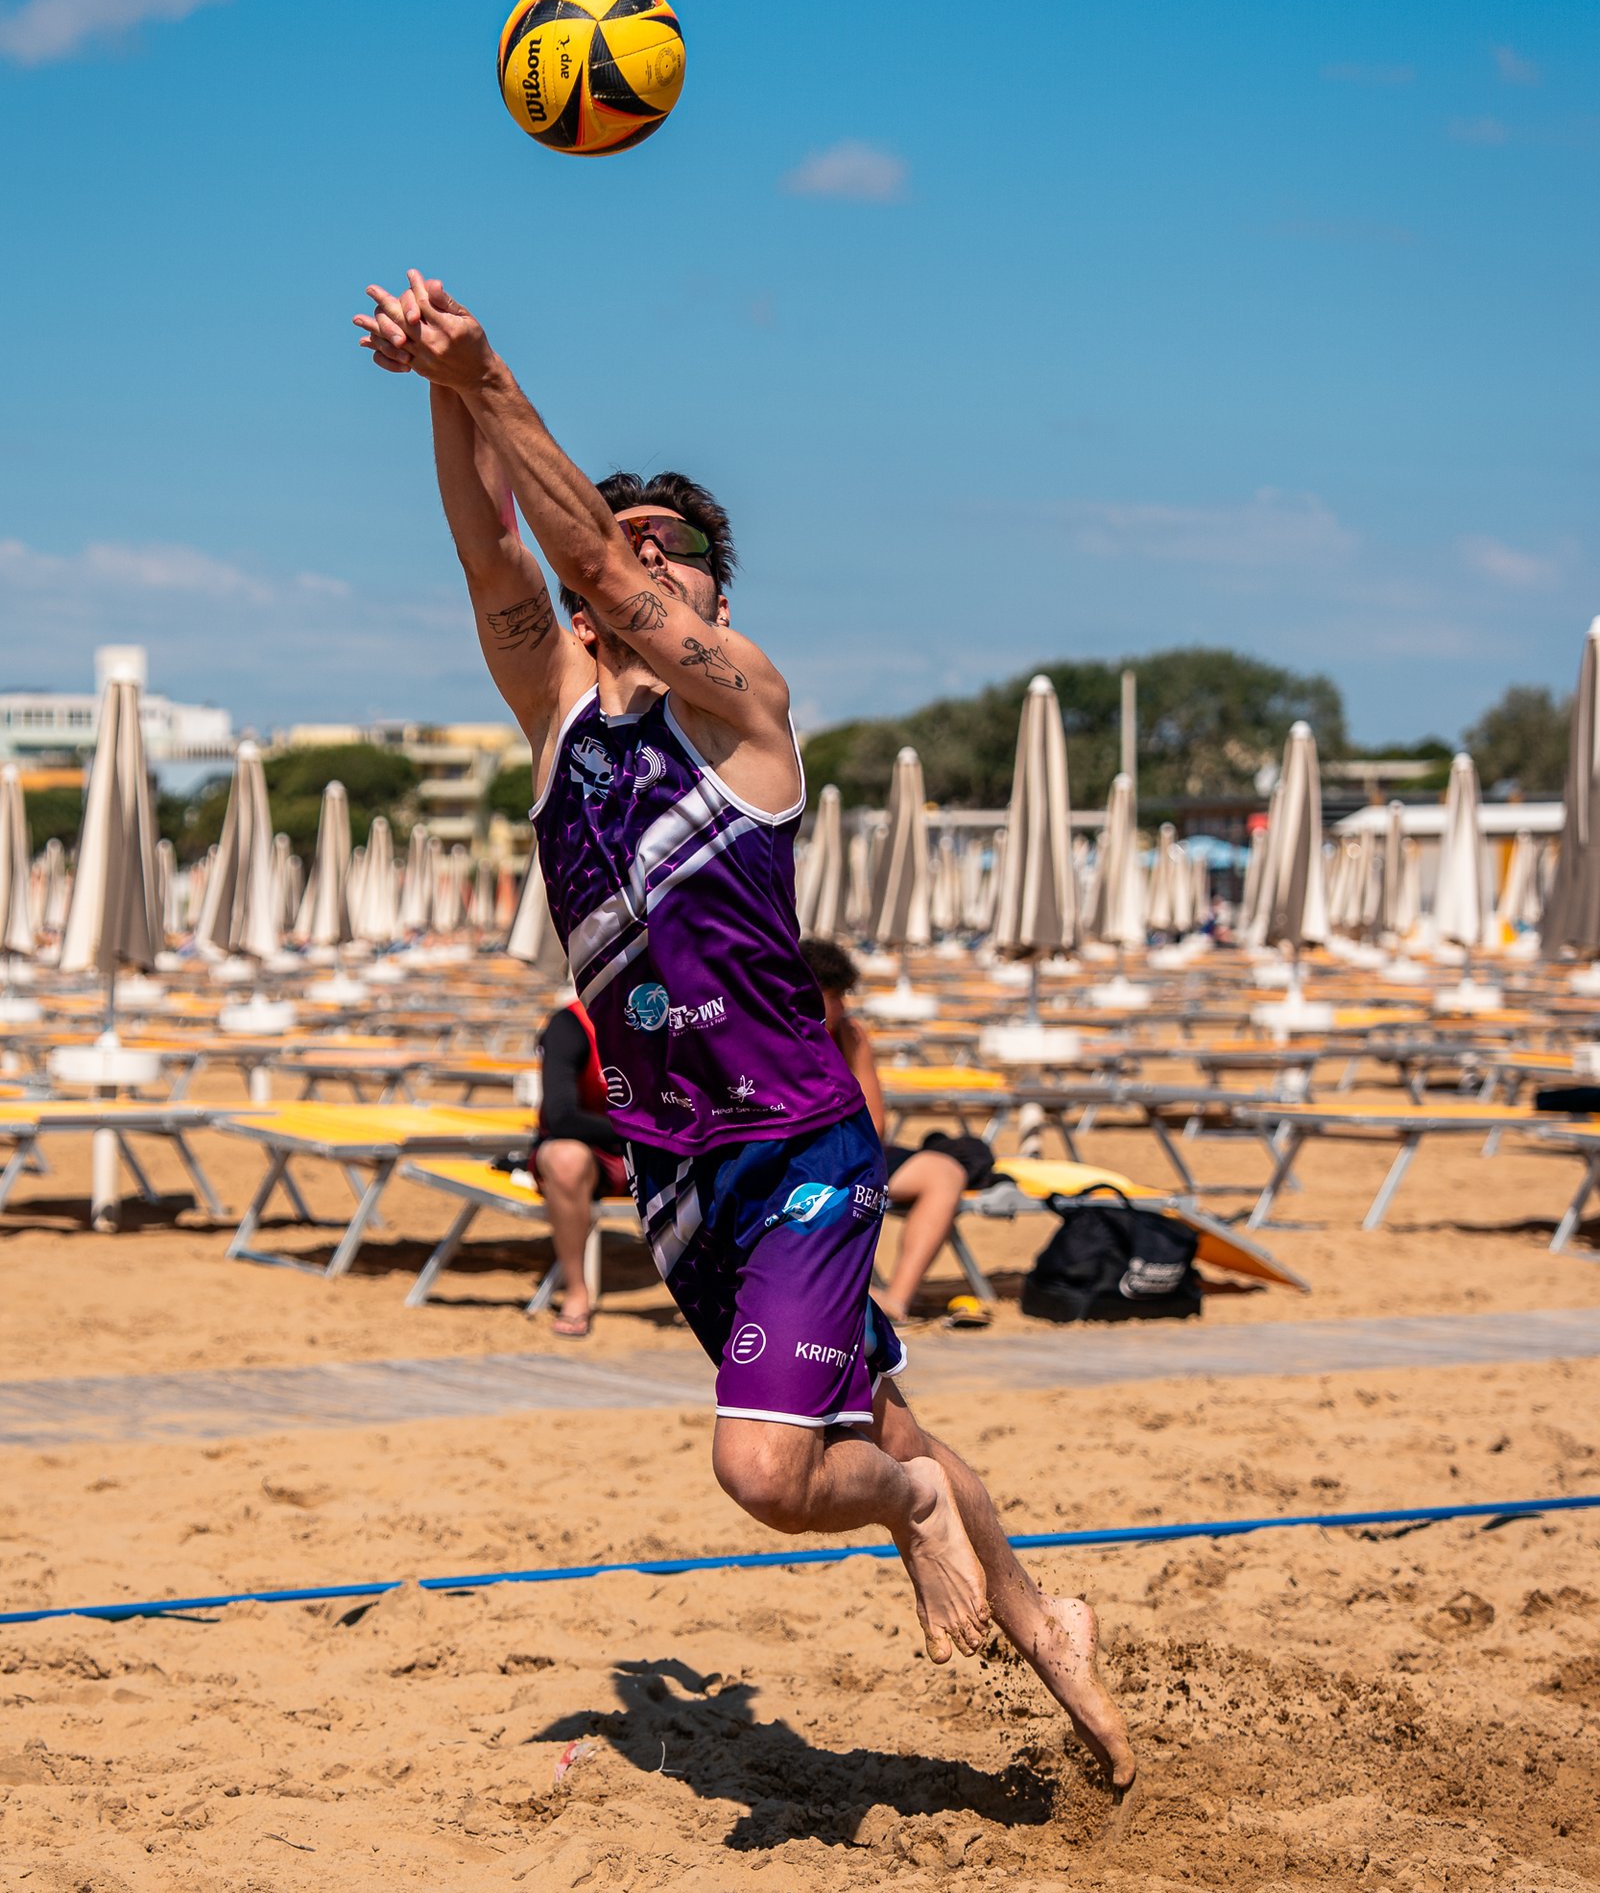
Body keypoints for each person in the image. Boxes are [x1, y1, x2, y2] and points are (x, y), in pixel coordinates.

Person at [352, 270, 1135, 1791]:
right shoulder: (557, 714)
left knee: (769, 1470)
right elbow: (495, 546)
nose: (645, 558)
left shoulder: (746, 707)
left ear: (715, 595)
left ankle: (914, 1515)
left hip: (797, 1144)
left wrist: (489, 370)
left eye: (677, 550)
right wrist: (444, 392)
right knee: (881, 1416)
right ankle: (1050, 1622)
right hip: (677, 1167)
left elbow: (575, 544)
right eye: (627, 546)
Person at [799, 938, 991, 1323]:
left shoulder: (850, 1035)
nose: (842, 1006)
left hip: (851, 1153)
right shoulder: (768, 1037)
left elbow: (876, 1121)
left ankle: (896, 1300)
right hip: (793, 1159)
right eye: (833, 996)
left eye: (842, 995)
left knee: (945, 1172)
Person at [502, 996, 630, 1339]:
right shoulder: (572, 1024)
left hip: (653, 1148)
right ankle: (576, 1290)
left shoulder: (677, 1015)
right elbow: (561, 1117)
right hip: (597, 1151)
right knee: (565, 1159)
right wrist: (641, 1132)